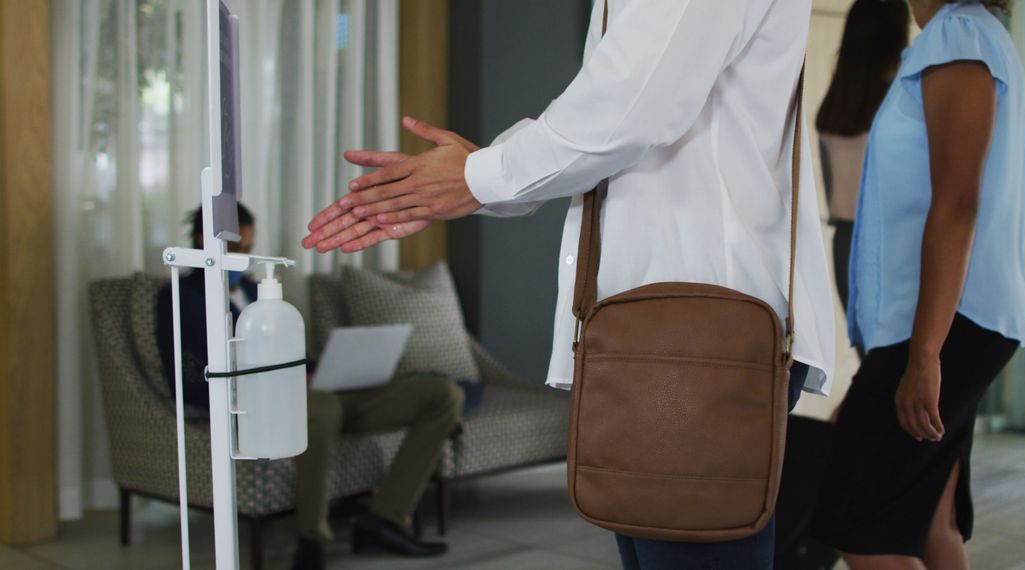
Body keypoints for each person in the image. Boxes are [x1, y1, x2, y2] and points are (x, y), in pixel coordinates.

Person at [302, 0, 836, 567]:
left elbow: (628, 110)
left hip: (700, 333)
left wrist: (476, 178)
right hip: (665, 329)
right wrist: (471, 176)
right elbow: (605, 113)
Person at [812, 1, 1025, 569]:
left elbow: (957, 201)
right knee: (930, 518)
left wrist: (926, 353)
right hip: (954, 318)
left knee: (857, 521)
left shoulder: (958, 35)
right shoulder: (966, 37)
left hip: (944, 322)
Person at [155, 204, 463, 570]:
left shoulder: (260, 293)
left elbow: (295, 356)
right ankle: (311, 539)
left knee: (442, 396)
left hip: (319, 395)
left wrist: (328, 369)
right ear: (207, 241)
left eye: (249, 248)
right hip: (265, 406)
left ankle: (384, 520)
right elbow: (191, 380)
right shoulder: (180, 299)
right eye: (237, 250)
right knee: (321, 408)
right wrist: (274, 384)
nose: (245, 259)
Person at [816, 0, 909, 315]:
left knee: (871, 355)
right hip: (893, 240)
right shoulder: (902, 104)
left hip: (845, 240)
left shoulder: (833, 107)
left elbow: (831, 191)